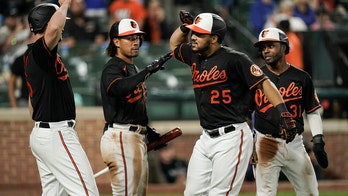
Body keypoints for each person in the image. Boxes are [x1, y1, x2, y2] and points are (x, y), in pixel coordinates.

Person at [169, 11, 297, 195]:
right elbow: (174, 45)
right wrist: (184, 27)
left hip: (232, 136)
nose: (193, 37)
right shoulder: (194, 55)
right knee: (192, 193)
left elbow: (265, 84)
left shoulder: (235, 59)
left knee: (221, 193)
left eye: (198, 34)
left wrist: (284, 113)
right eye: (192, 33)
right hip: (205, 137)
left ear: (214, 38)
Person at [23, 2, 99, 195]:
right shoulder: (39, 52)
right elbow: (55, 27)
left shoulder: (37, 55)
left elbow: (33, 103)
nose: (63, 28)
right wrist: (65, 3)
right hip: (56, 133)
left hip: (46, 132)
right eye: (60, 23)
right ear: (44, 24)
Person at [252, 27, 328, 195]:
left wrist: (318, 139)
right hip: (266, 142)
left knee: (310, 192)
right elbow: (244, 113)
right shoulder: (255, 77)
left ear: (284, 47)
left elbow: (313, 110)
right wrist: (250, 144)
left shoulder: (301, 77)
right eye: (263, 47)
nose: (265, 51)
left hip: (295, 143)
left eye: (270, 46)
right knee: (265, 193)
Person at [99, 18, 171, 196]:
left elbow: (133, 104)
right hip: (121, 137)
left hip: (133, 136)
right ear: (116, 41)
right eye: (129, 38)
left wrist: (148, 130)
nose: (136, 41)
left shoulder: (132, 68)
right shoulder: (113, 67)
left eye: (137, 37)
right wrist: (147, 71)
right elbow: (118, 88)